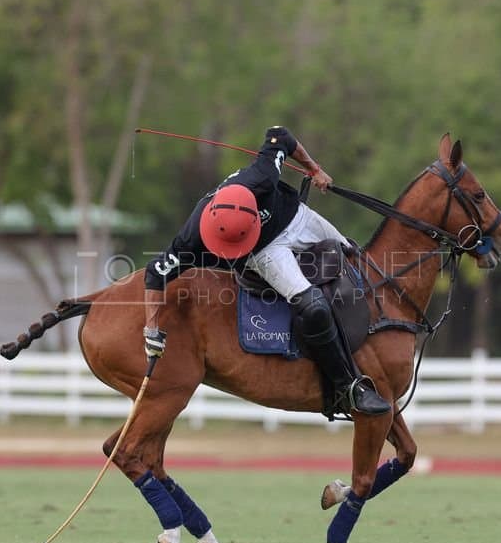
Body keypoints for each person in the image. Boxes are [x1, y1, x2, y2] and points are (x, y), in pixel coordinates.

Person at [142, 125, 389, 415]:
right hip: (263, 252)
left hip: (295, 218)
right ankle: (347, 387)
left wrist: (315, 169)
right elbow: (155, 272)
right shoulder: (192, 236)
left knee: (352, 257)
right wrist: (152, 330)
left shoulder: (263, 176)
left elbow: (280, 134)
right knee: (313, 306)